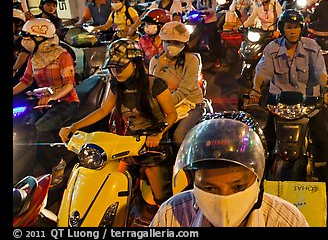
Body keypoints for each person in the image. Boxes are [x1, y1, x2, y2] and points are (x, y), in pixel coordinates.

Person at [59, 38, 178, 205]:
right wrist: (74, 126)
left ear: (136, 63)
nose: (117, 72)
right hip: (129, 139)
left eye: (121, 67)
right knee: (114, 177)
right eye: (113, 68)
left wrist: (158, 134)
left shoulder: (155, 84)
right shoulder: (116, 85)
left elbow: (171, 114)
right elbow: (103, 110)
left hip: (154, 140)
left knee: (160, 193)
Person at [150, 111, 309, 227]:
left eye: (238, 187)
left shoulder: (287, 222)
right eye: (210, 188)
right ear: (193, 182)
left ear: (258, 180)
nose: (224, 201)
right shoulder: (170, 216)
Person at [250, 9, 328, 181]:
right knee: (263, 144)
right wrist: (256, 90)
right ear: (282, 29)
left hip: (308, 107)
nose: (293, 31)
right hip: (279, 108)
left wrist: (326, 90)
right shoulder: (272, 49)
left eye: (296, 27)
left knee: (325, 145)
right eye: (289, 27)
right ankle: (260, 181)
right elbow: (262, 72)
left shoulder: (312, 47)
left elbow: (321, 73)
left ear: (301, 29)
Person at [13, 18, 79, 186]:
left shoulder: (62, 55)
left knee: (40, 129)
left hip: (66, 102)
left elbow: (69, 84)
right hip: (42, 103)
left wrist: (52, 97)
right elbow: (25, 81)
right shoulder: (33, 58)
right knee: (25, 129)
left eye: (28, 38)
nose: (24, 42)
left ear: (40, 38)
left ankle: (57, 163)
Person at [149, 21, 208, 151]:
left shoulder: (191, 60)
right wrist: (159, 66)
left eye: (176, 43)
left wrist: (165, 104)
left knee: (178, 136)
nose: (171, 46)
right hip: (164, 106)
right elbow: (152, 86)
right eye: (168, 42)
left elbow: (183, 91)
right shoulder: (155, 60)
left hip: (190, 104)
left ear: (184, 44)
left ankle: (183, 167)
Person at [196, 0, 223, 67]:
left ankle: (217, 59)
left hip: (211, 21)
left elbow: (213, 9)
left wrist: (207, 12)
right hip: (201, 21)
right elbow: (197, 8)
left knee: (213, 40)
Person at [13, 8, 30, 82]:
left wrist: (14, 70)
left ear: (19, 24)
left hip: (24, 78)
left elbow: (24, 53)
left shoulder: (26, 40)